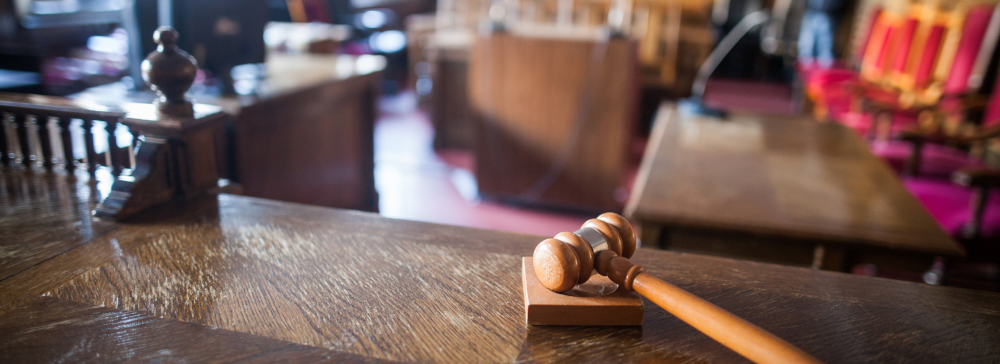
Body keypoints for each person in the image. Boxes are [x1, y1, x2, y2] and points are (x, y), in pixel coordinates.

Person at [798, 0, 848, 68]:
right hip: (810, 14)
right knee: (806, 47)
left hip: (827, 15)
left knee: (824, 49)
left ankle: (823, 74)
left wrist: (832, 10)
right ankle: (804, 73)